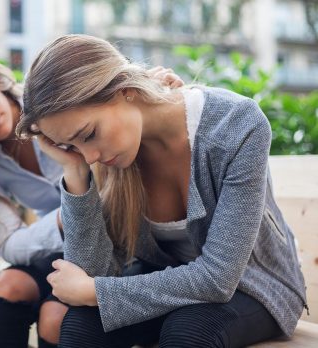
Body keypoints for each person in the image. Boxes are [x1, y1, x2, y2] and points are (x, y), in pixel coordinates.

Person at [16, 34, 308, 348]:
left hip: (253, 287)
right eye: (70, 145)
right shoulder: (107, 157)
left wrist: (95, 291)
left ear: (124, 90)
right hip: (167, 282)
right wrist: (74, 172)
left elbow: (218, 278)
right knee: (81, 324)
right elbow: (92, 272)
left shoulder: (235, 123)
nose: (89, 155)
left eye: (87, 135)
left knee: (189, 331)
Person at [0, 39, 183, 348]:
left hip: (119, 247)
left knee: (54, 318)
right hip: (66, 248)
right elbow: (9, 243)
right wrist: (66, 218)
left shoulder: (55, 106)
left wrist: (154, 94)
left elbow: (120, 103)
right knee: (9, 284)